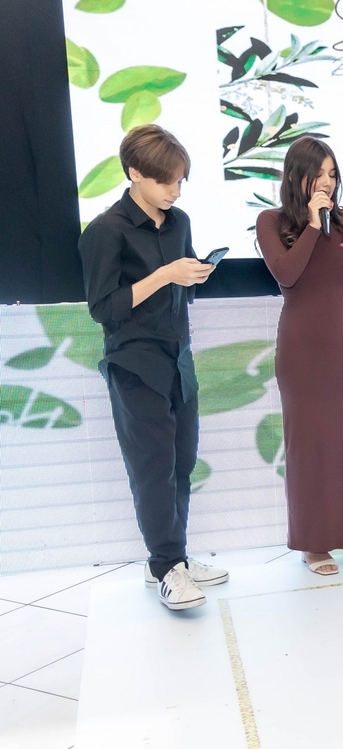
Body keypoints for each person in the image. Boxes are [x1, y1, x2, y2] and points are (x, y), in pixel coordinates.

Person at [80, 124, 228, 610]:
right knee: (153, 468)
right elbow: (103, 307)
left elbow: (179, 291)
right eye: (166, 181)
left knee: (182, 462)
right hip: (134, 364)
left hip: (178, 358)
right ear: (135, 173)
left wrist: (193, 274)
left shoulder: (179, 221)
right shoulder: (105, 230)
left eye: (181, 180)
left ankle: (172, 559)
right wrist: (165, 274)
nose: (175, 191)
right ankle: (166, 566)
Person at [256, 137, 343, 574]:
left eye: (333, 174)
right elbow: (286, 274)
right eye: (319, 174)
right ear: (297, 176)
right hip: (302, 351)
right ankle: (313, 543)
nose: (328, 182)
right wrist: (312, 226)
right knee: (309, 450)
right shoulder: (271, 221)